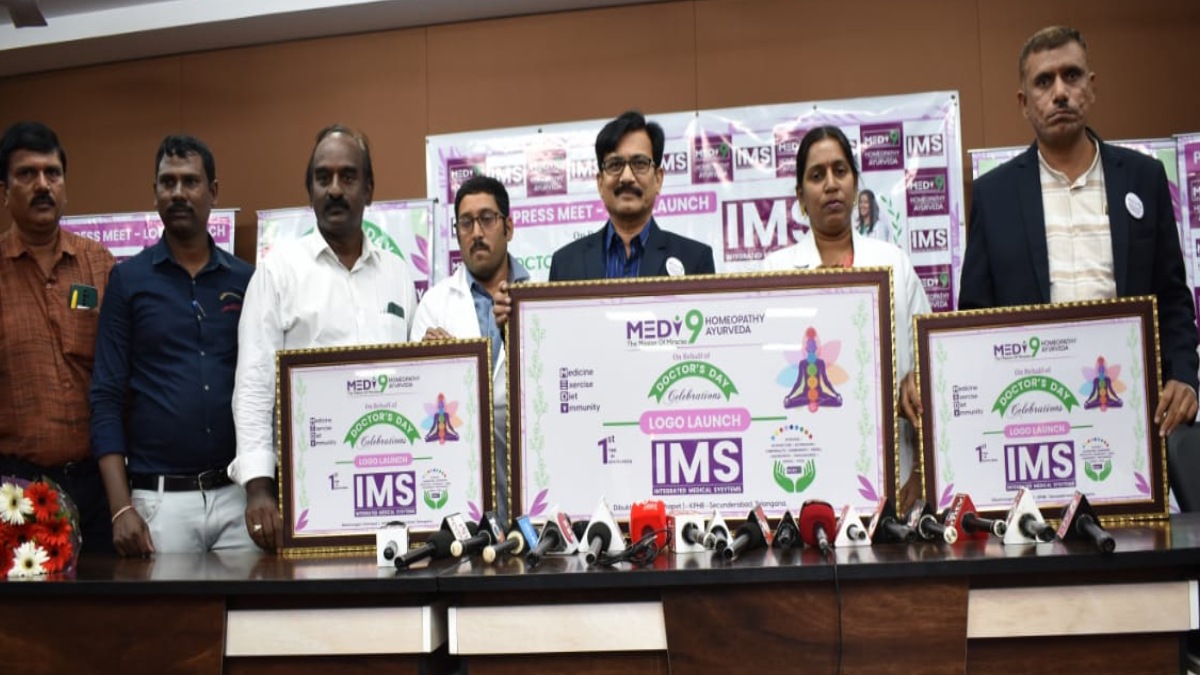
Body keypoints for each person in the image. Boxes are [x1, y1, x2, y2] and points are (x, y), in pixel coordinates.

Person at [959, 26, 1198, 439]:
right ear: (1024, 103)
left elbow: (1173, 296)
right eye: (1043, 81)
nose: (1060, 92)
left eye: (1071, 75)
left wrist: (1185, 376)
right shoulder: (993, 195)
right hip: (1032, 410)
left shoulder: (1144, 178)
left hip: (1135, 408)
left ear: (1091, 86)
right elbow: (975, 317)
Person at [229, 125, 416, 551]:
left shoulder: (397, 274)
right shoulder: (278, 273)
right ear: (309, 190)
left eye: (348, 176)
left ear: (369, 190)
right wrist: (258, 488)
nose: (334, 189)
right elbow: (254, 387)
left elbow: (416, 376)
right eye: (322, 177)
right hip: (307, 489)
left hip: (393, 482)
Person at [90, 135, 255, 556]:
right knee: (165, 605)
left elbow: (263, 388)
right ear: (155, 192)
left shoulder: (247, 280)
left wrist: (264, 490)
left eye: (190, 181)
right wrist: (120, 507)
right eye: (168, 182)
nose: (178, 192)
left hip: (238, 497)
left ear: (213, 191)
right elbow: (106, 397)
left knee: (252, 602)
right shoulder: (128, 281)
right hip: (159, 504)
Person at [762, 125, 931, 507]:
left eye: (840, 171)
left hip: (895, 477)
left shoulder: (894, 263)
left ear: (855, 184)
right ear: (801, 197)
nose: (831, 184)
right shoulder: (775, 271)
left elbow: (930, 371)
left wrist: (921, 474)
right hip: (802, 471)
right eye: (816, 175)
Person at [0, 121, 116, 555]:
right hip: (16, 490)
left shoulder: (99, 265)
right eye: (27, 174)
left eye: (52, 173)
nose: (42, 185)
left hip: (99, 486)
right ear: (5, 191)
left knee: (109, 592)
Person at [411, 174, 528, 525]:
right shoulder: (434, 305)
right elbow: (417, 401)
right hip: (457, 477)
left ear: (508, 227)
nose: (476, 232)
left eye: (487, 219)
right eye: (466, 222)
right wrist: (438, 366)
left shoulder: (538, 296)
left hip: (528, 473)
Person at [548, 110, 715, 280]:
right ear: (600, 183)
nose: (627, 177)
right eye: (615, 165)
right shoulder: (564, 264)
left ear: (658, 179)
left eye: (640, 163)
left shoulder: (695, 261)